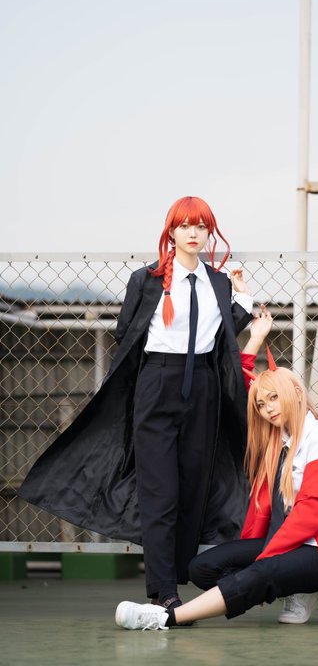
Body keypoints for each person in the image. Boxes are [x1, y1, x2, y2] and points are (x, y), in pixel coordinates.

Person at [19, 195, 254, 609]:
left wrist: (244, 299)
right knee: (160, 491)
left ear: (209, 232)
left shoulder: (218, 282)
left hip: (204, 387)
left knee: (194, 488)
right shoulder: (145, 279)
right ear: (171, 232)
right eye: (185, 226)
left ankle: (178, 574)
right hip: (157, 383)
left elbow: (221, 335)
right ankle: (164, 591)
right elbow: (126, 333)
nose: (193, 233)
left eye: (201, 226)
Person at [115, 357, 318, 631]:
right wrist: (253, 342)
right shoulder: (278, 441)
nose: (268, 409)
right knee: (202, 568)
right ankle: (276, 583)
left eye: (274, 398)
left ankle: (167, 618)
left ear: (296, 392)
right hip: (283, 540)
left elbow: (311, 514)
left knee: (260, 571)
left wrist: (267, 557)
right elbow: (239, 385)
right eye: (261, 405)